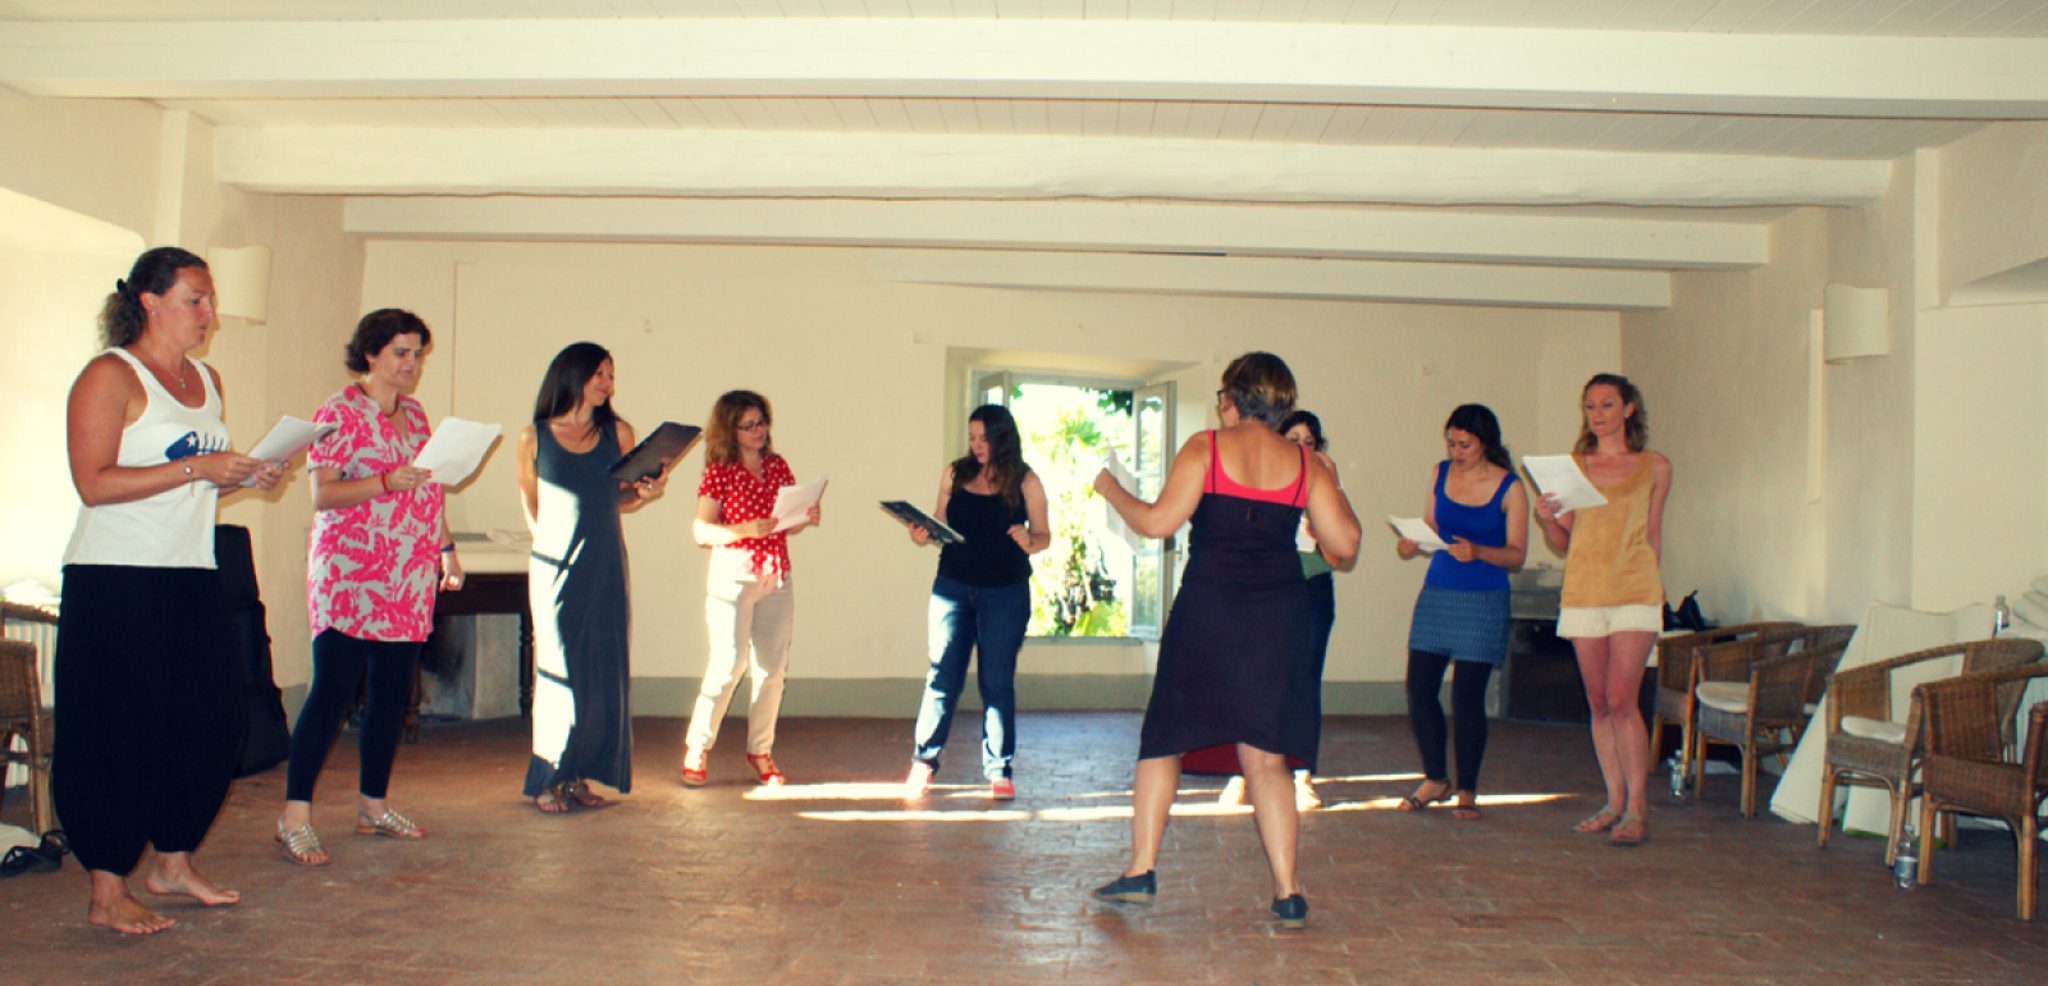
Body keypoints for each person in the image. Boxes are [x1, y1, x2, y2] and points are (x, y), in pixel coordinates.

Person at [53, 247, 282, 934]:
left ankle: (172, 862)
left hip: (190, 574)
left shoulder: (206, 380)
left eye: (209, 299)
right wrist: (195, 469)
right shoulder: (109, 374)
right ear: (150, 301)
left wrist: (241, 477)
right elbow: (94, 482)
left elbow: (194, 474)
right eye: (196, 298)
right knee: (119, 733)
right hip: (116, 578)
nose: (209, 313)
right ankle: (105, 888)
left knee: (216, 721)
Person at [1090, 353, 1360, 930]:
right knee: (1265, 757)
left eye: (1221, 396)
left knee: (1164, 739)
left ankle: (1140, 872)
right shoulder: (1306, 463)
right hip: (1277, 617)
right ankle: (1288, 892)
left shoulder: (1206, 448)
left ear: (1235, 398)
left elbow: (1158, 523)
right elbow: (1346, 543)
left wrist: (1111, 489)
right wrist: (1329, 478)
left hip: (1208, 610)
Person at [275, 310, 461, 866]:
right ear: (372, 353)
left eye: (418, 354)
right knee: (333, 692)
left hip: (408, 574)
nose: (411, 364)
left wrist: (445, 549)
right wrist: (383, 481)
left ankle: (372, 807)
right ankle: (294, 817)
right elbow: (322, 495)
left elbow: (430, 491)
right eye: (401, 352)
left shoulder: (419, 415)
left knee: (389, 696)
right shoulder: (339, 411)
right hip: (351, 575)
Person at [518, 342, 668, 813]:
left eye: (611, 375)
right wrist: (549, 552)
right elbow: (532, 503)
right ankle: (549, 778)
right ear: (572, 376)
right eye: (599, 374)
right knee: (558, 673)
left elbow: (619, 497)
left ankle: (580, 776)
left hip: (604, 563)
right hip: (554, 569)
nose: (607, 383)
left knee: (601, 673)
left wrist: (646, 491)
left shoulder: (619, 432)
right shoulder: (534, 436)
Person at [1534, 373, 1672, 848]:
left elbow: (1653, 533)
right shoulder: (1573, 466)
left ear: (1628, 408)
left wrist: (1655, 588)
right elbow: (1563, 541)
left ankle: (1638, 806)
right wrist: (1548, 520)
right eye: (1590, 405)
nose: (1597, 413)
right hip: (1585, 589)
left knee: (1621, 699)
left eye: (1607, 404)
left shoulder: (1654, 466)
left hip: (1634, 589)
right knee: (1597, 703)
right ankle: (1614, 801)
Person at [903, 404, 1051, 800]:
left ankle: (999, 768)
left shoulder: (1026, 481)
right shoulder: (956, 472)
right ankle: (924, 761)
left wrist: (1028, 540)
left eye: (984, 438)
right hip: (952, 586)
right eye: (971, 438)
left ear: (1003, 437)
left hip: (1005, 592)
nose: (976, 445)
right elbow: (939, 523)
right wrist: (924, 533)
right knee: (941, 675)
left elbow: (1044, 536)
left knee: (996, 680)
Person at [1393, 404, 1528, 821]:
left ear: (1485, 442)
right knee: (1419, 688)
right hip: (1438, 591)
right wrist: (1413, 541)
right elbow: (1433, 525)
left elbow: (1517, 554)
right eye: (1451, 443)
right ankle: (1435, 778)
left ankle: (1467, 788)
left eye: (1464, 444)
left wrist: (1480, 552)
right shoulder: (1440, 472)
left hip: (1484, 597)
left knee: (1467, 698)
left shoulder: (1511, 488)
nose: (1457, 451)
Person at [682, 390, 818, 787]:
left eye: (762, 423)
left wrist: (803, 516)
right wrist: (742, 529)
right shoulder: (719, 470)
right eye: (749, 425)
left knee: (772, 671)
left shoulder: (777, 466)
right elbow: (701, 531)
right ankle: (697, 747)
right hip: (733, 577)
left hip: (776, 576)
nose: (759, 431)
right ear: (730, 430)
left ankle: (760, 750)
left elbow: (788, 521)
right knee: (727, 666)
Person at [1219, 410, 1351, 811]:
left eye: (1308, 442)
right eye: (1291, 438)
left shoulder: (1324, 481)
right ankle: (1241, 774)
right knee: (1253, 681)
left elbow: (1341, 550)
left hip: (1310, 589)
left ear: (1319, 449)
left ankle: (1302, 775)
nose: (1299, 448)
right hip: (1265, 588)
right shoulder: (1264, 475)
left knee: (1303, 682)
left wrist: (1322, 515)